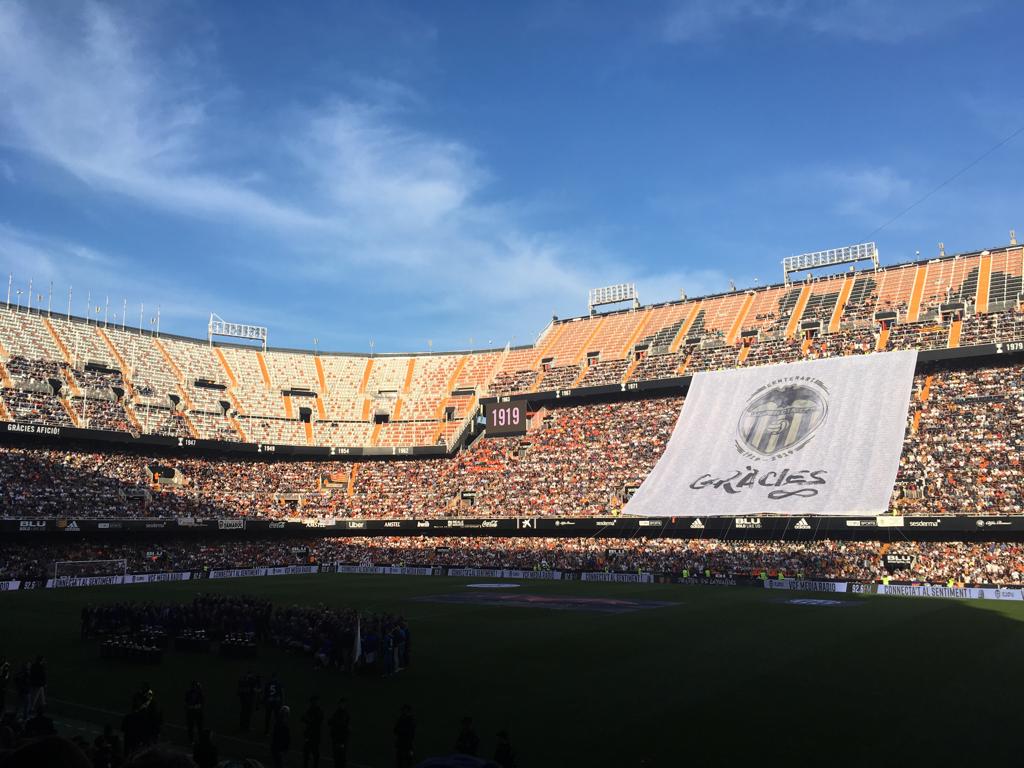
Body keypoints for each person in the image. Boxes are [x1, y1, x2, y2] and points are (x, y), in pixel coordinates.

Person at [301, 695, 323, 768]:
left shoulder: (315, 711)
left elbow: (310, 720)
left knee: (312, 753)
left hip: (312, 735)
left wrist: (308, 720)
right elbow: (304, 719)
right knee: (310, 753)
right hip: (312, 735)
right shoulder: (313, 710)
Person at [329, 698, 350, 768]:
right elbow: (331, 722)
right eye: (341, 704)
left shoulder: (345, 714)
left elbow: (344, 724)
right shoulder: (337, 713)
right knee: (337, 756)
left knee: (341, 756)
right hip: (337, 738)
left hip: (341, 738)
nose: (342, 705)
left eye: (343, 704)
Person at [394, 704, 415, 768]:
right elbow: (395, 730)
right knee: (400, 757)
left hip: (407, 742)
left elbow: (411, 731)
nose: (404, 712)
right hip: (402, 742)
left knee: (408, 757)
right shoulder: (401, 719)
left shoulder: (410, 720)